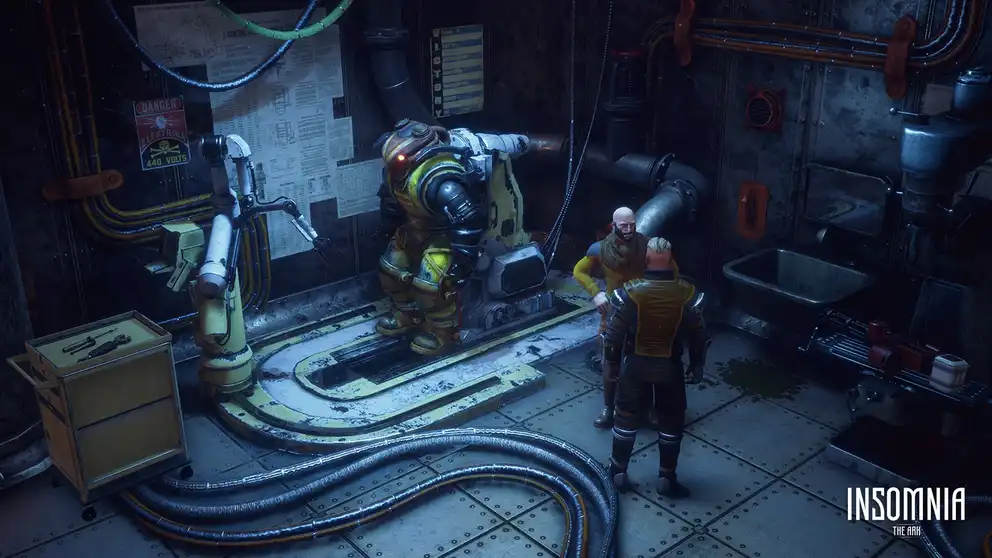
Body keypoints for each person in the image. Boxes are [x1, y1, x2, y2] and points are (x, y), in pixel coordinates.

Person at [601, 237, 711, 497]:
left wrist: (612, 365)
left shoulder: (631, 292)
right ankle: (666, 477)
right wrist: (696, 365)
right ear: (671, 261)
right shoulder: (687, 293)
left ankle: (617, 472)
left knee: (626, 417)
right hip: (669, 367)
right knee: (671, 422)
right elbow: (699, 336)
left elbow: (613, 335)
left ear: (647, 260)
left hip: (635, 365)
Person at [373, 120, 486, 356]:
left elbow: (468, 222)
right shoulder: (397, 173)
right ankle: (407, 314)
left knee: (431, 284)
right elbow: (391, 202)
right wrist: (385, 230)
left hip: (444, 236)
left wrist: (463, 262)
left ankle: (443, 332)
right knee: (390, 269)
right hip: (413, 230)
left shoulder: (441, 179)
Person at [572, 206, 648, 428]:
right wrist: (596, 293)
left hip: (642, 309)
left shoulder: (647, 246)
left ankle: (648, 407)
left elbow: (669, 270)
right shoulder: (600, 249)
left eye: (632, 225)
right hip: (614, 310)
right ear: (613, 225)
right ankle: (608, 408)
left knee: (648, 359)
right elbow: (579, 271)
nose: (629, 229)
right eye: (624, 225)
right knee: (610, 361)